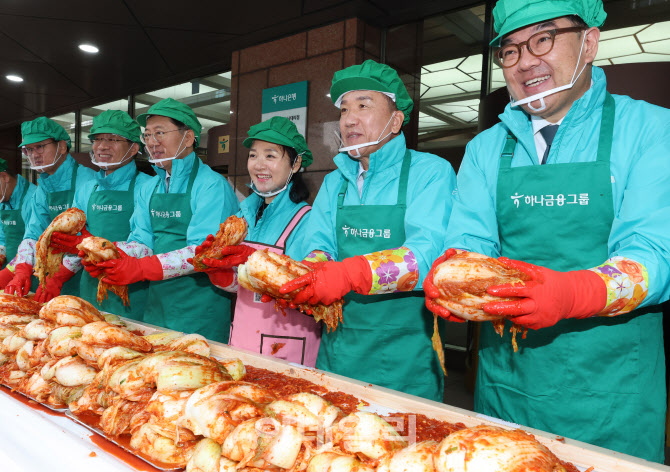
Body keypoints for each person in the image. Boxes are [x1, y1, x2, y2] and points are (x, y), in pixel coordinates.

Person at [424, 0, 670, 462]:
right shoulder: (485, 149)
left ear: (590, 42)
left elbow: (655, 252)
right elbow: (471, 241)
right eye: (511, 50)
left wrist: (572, 293)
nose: (526, 61)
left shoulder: (651, 129)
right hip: (506, 385)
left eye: (543, 38)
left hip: (611, 394)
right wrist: (453, 273)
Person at [277, 60, 457, 401]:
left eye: (363, 105)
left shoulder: (430, 173)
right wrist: (313, 272)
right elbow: (319, 244)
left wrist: (351, 274)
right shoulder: (335, 182)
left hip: (407, 357)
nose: (349, 119)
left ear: (396, 119)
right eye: (344, 109)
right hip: (339, 348)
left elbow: (429, 255)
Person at [88, 98, 239, 342]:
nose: (152, 142)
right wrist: (112, 253)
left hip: (199, 310)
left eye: (160, 133)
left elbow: (204, 253)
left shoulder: (212, 186)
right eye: (147, 135)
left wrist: (140, 268)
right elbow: (142, 240)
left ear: (188, 138)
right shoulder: (152, 186)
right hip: (157, 305)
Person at [192, 116, 320, 365]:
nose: (259, 165)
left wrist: (252, 262)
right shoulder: (243, 215)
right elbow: (242, 286)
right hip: (243, 335)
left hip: (287, 345)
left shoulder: (308, 220)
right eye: (253, 155)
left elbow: (309, 291)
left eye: (270, 156)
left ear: (295, 164)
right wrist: (222, 275)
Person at [48, 110, 153, 318]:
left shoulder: (147, 186)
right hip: (90, 290)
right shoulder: (87, 189)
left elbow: (145, 245)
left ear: (133, 148)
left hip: (132, 294)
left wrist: (87, 245)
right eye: (97, 139)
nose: (102, 146)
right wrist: (59, 276)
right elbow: (76, 245)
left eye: (113, 139)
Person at [5, 117, 96, 300]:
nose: (34, 154)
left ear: (62, 147)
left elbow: (90, 240)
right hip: (51, 278)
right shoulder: (43, 188)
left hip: (86, 276)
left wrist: (59, 276)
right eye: (29, 149)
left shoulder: (89, 182)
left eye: (40, 146)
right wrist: (22, 268)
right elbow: (33, 234)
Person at [0, 159, 37, 288]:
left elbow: (36, 241)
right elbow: (2, 239)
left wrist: (9, 272)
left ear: (4, 177)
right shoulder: (3, 199)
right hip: (11, 275)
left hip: (33, 275)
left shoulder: (33, 198)